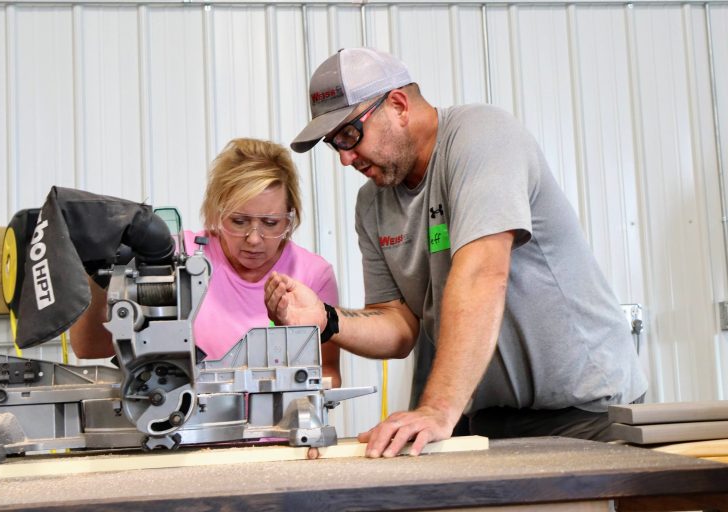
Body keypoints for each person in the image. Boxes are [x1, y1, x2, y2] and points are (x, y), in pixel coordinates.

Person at [264, 47, 648, 458]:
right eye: (333, 143)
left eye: (349, 135)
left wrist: (436, 408)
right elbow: (398, 326)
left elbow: (483, 273)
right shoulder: (372, 205)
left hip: (587, 412)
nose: (344, 158)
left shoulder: (481, 137)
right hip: (491, 418)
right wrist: (326, 320)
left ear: (397, 105)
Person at [71, 138, 341, 386]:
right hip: (181, 428)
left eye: (271, 223)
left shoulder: (313, 274)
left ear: (291, 217)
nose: (254, 239)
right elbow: (88, 347)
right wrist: (98, 273)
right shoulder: (173, 256)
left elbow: (328, 373)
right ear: (216, 209)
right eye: (239, 221)